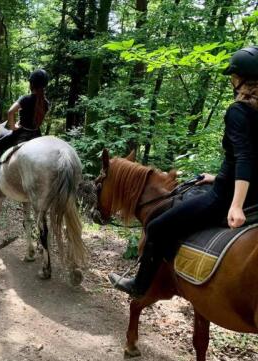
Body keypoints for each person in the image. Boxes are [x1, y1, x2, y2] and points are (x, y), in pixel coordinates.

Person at [108, 46, 258, 298]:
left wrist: (236, 205)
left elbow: (244, 157)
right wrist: (215, 176)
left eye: (232, 76)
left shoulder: (238, 111)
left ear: (240, 79)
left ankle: (139, 285)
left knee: (156, 227)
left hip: (225, 197)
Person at [0, 69, 50, 184]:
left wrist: (13, 126)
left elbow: (10, 112)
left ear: (31, 84)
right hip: (36, 134)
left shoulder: (25, 99)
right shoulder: (46, 102)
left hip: (21, 133)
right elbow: (38, 119)